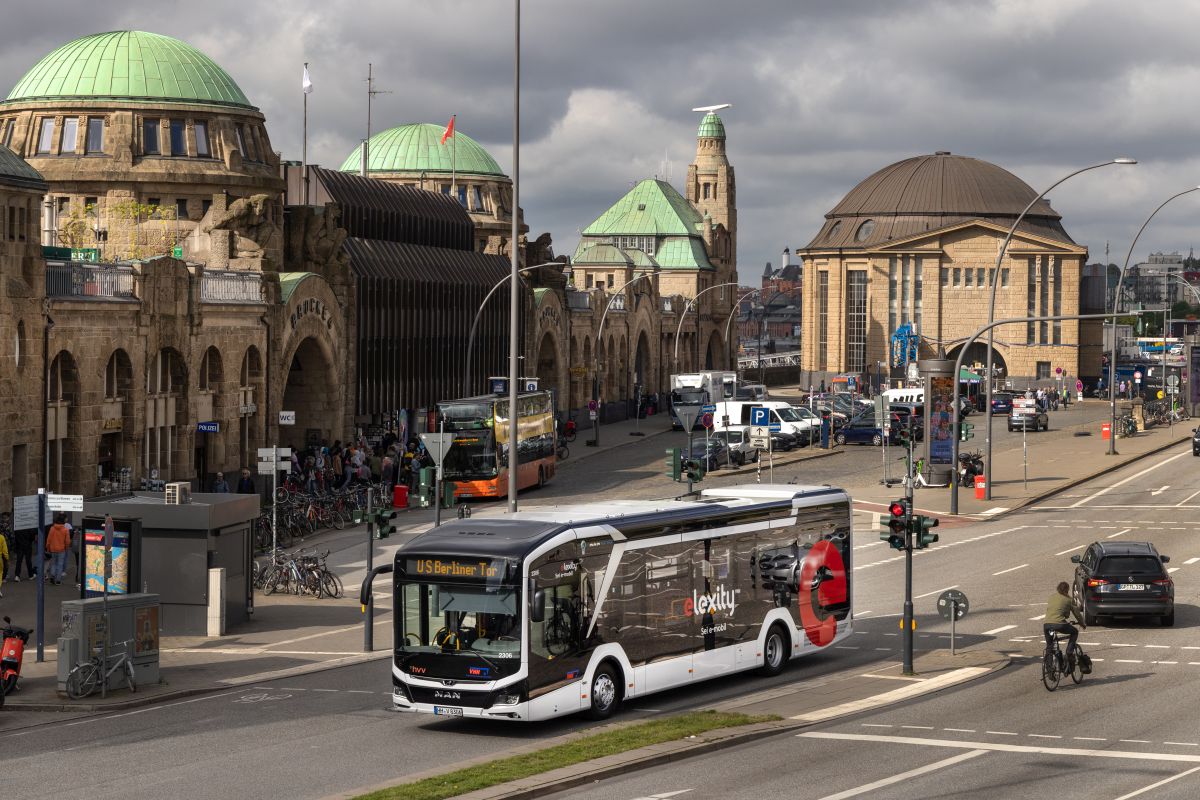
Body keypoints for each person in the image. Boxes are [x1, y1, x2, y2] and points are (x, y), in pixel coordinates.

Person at [1044, 581, 1085, 661]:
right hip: (1059, 624)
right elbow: (1076, 614)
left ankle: (1049, 669)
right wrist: (1082, 623)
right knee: (1074, 632)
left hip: (1047, 625)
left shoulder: (1052, 597)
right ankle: (1069, 653)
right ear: (1067, 589)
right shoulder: (1069, 599)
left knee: (1049, 646)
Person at [46, 514, 71, 585]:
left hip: (53, 549)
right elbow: (67, 541)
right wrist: (66, 547)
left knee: (53, 563)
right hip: (61, 549)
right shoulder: (65, 530)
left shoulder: (52, 528)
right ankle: (58, 580)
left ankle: (53, 575)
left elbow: (49, 539)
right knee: (60, 564)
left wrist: (48, 547)